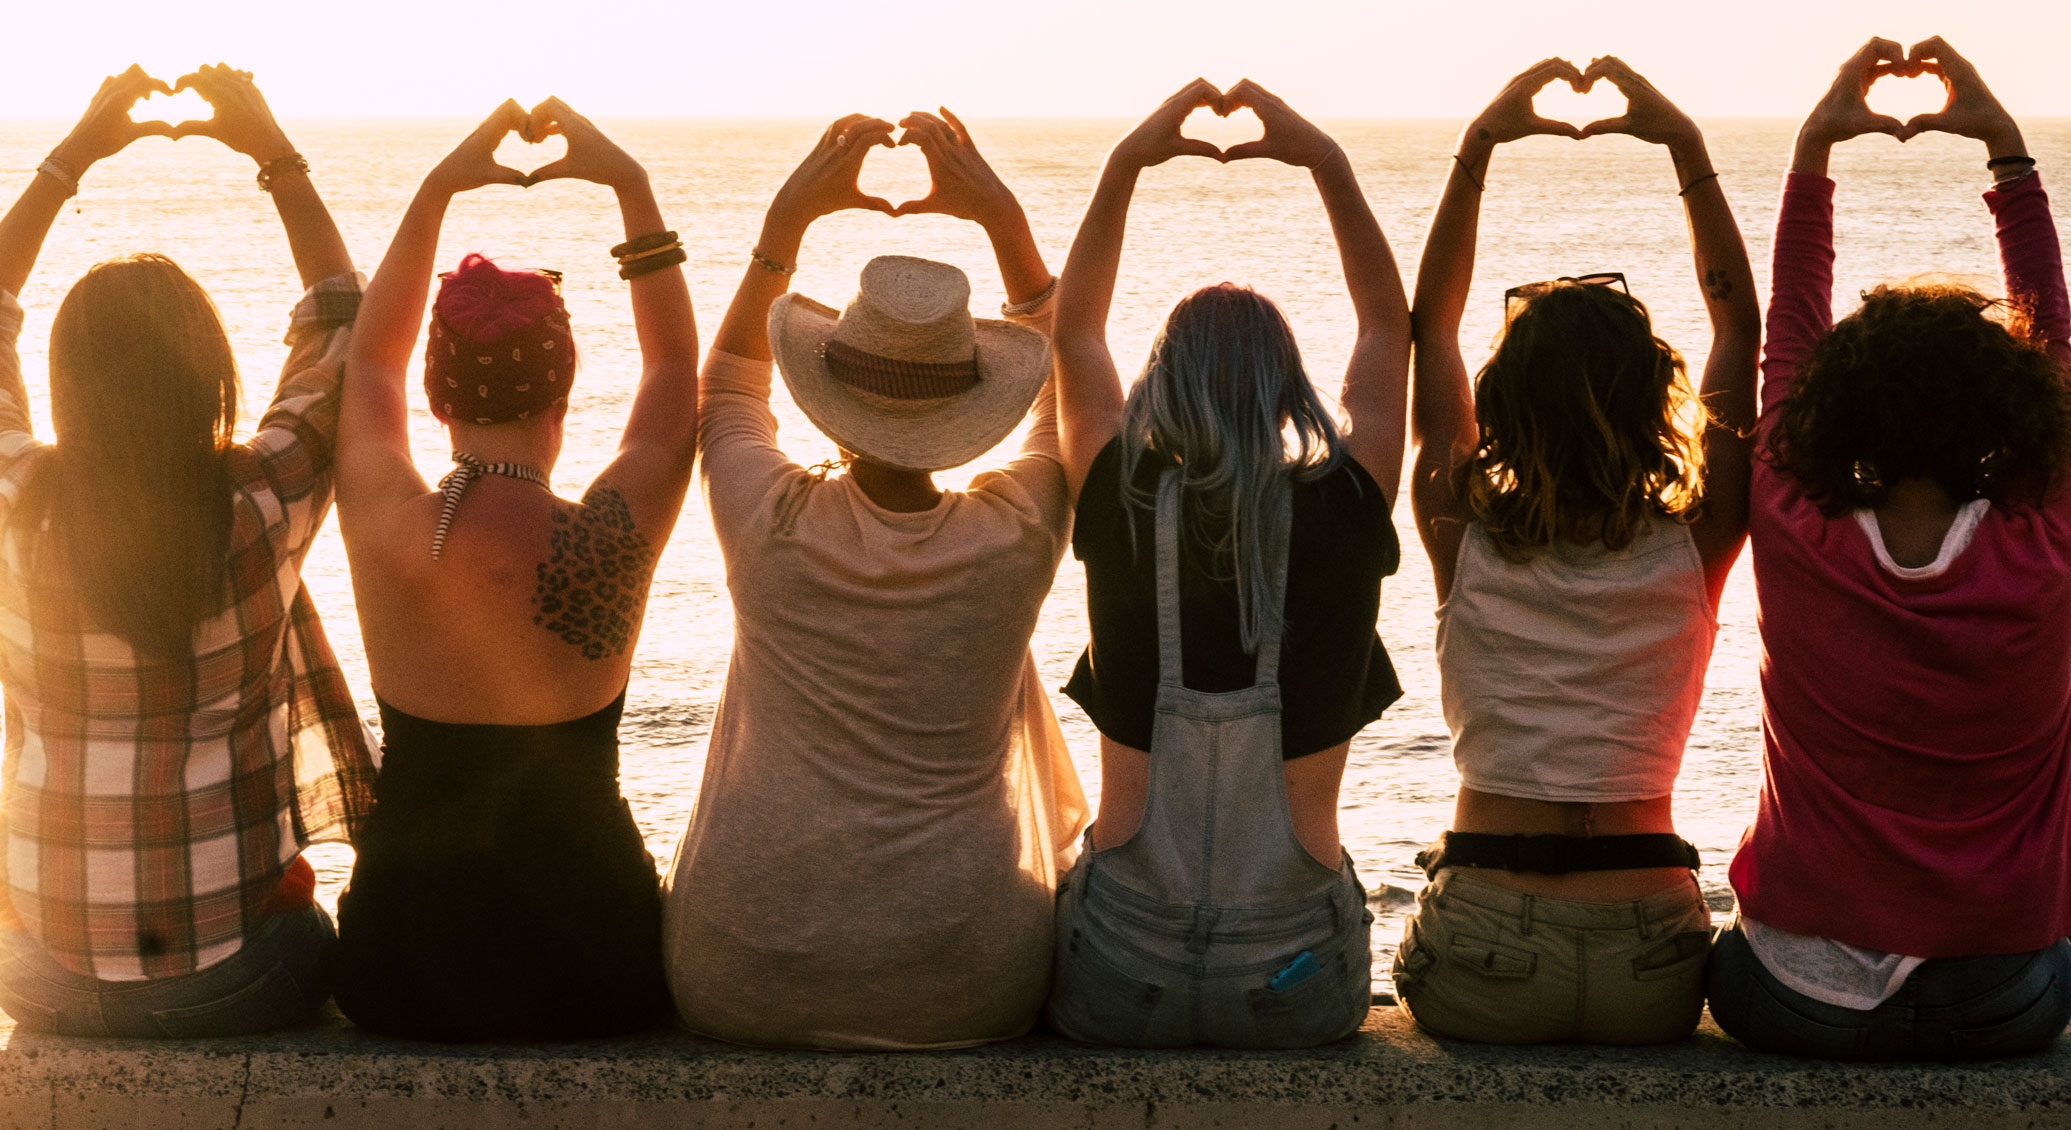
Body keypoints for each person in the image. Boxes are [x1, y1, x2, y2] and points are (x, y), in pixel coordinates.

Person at [661, 110, 1087, 1050]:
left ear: (830, 398)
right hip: (967, 978)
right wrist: (1001, 222)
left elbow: (728, 386)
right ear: (971, 403)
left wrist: (789, 222)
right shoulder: (1017, 531)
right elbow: (1074, 396)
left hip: (739, 970)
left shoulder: (769, 523)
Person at [1709, 38, 2071, 1062]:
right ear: (2014, 414)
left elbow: (1787, 331)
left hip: (1793, 996)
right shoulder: (2043, 537)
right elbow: (2054, 345)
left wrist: (1817, 146)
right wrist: (2005, 152)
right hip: (2002, 994)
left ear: (1837, 411)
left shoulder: (1793, 520)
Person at [1389, 59, 1760, 1045]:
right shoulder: (1698, 540)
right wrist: (1682, 145)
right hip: (1653, 953)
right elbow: (1738, 324)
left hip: (1484, 945)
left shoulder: (1459, 530)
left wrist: (1480, 145)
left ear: (1502, 403)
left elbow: (1427, 329)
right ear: (1652, 398)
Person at [0, 65, 375, 1036]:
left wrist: (72, 155)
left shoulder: (15, 507)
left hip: (38, 973)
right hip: (235, 979)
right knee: (323, 930)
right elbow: (342, 316)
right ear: (211, 375)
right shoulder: (261, 501)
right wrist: (274, 155)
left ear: (67, 382)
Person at [1043, 79, 1408, 1049]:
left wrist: (1127, 162)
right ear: (1290, 382)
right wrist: (1323, 161)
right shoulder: (1345, 501)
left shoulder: (1120, 489)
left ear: (1158, 378)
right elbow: (1384, 327)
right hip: (1294, 976)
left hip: (1120, 969)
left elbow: (1072, 333)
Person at [328, 98, 698, 1040]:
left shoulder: (388, 526)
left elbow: (369, 359)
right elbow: (670, 370)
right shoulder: (614, 529)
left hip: (398, 964)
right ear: (566, 384)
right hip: (597, 961)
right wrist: (629, 184)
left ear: (436, 393)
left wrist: (437, 190)